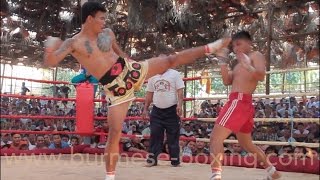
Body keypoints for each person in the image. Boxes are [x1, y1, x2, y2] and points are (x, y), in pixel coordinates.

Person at [43, 2, 230, 180]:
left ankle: (212, 47)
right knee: (115, 133)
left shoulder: (107, 33)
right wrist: (50, 47)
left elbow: (120, 53)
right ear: (90, 19)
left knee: (170, 60)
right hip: (116, 89)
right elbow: (51, 62)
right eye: (101, 18)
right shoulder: (73, 43)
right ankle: (110, 176)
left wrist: (133, 64)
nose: (104, 22)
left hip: (131, 70)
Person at [209, 31, 281, 180]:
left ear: (249, 43)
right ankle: (271, 171)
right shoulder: (236, 65)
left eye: (239, 44)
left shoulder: (256, 55)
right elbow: (226, 81)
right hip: (242, 104)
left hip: (239, 102)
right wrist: (222, 62)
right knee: (246, 143)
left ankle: (216, 175)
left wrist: (249, 67)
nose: (236, 48)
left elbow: (261, 76)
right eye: (234, 46)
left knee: (215, 138)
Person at [142, 67, 184, 167]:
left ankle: (175, 160)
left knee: (173, 136)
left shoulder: (175, 74)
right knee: (155, 135)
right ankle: (152, 160)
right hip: (156, 110)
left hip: (172, 109)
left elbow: (180, 91)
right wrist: (145, 109)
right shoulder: (153, 76)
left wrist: (180, 105)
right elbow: (149, 94)